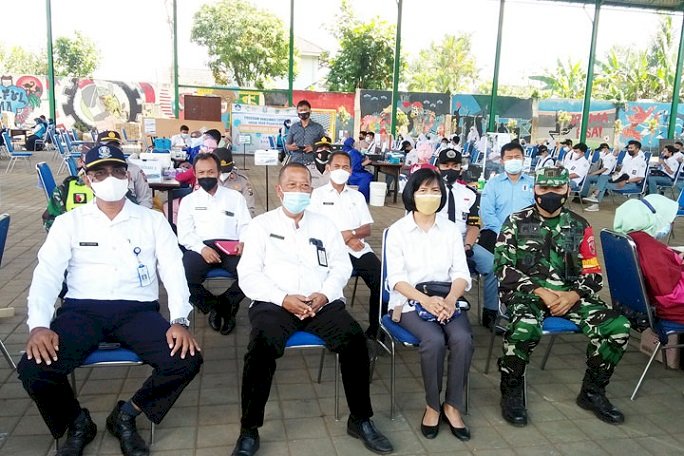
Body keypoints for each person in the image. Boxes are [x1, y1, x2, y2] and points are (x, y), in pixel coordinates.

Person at [17, 144, 202, 456]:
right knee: (33, 368)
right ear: (87, 179)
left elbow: (173, 271)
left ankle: (127, 415)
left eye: (117, 171)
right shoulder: (69, 223)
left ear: (128, 176)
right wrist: (38, 325)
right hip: (82, 311)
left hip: (137, 311)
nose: (110, 178)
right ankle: (77, 422)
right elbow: (47, 275)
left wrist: (179, 319)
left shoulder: (152, 221)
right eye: (99, 172)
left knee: (186, 359)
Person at [232, 163, 393, 456]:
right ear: (279, 190)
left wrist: (325, 294)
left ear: (311, 190)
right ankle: (249, 429)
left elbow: (342, 266)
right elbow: (249, 274)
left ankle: (360, 419)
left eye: (304, 185)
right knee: (260, 347)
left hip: (320, 302)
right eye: (291, 185)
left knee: (355, 340)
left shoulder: (324, 225)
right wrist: (283, 299)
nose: (298, 190)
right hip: (275, 303)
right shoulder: (261, 226)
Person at [495, 167, 630, 428]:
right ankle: (511, 392)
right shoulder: (516, 221)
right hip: (529, 294)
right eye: (544, 188)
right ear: (535, 190)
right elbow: (503, 267)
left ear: (567, 190)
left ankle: (592, 392)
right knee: (524, 328)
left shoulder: (580, 225)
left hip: (570, 296)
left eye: (557, 189)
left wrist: (573, 295)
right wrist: (540, 291)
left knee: (618, 326)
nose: (550, 194)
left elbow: (593, 272)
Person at [385, 167, 473, 441]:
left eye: (435, 190)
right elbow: (396, 279)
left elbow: (461, 273)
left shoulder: (449, 230)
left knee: (463, 338)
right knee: (433, 341)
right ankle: (432, 406)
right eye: (423, 190)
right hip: (410, 301)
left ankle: (452, 405)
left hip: (447, 298)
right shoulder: (397, 231)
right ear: (411, 194)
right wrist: (426, 300)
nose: (429, 195)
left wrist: (448, 300)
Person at [309, 151, 382, 338]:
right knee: (327, 284)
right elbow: (313, 229)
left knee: (381, 281)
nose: (341, 170)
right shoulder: (317, 195)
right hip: (328, 251)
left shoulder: (356, 196)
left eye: (345, 167)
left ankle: (376, 328)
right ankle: (331, 329)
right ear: (328, 168)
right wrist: (346, 237)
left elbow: (367, 228)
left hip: (357, 249)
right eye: (336, 166)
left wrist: (352, 234)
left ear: (351, 170)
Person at [177, 153, 251, 335]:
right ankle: (215, 307)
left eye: (211, 171)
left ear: (219, 172)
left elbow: (246, 225)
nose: (206, 176)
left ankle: (227, 303)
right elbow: (184, 234)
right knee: (181, 277)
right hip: (199, 247)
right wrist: (202, 248)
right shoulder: (188, 201)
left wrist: (243, 241)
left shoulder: (235, 197)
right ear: (194, 173)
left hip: (230, 246)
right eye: (201, 172)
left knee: (252, 272)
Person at [436, 148, 499, 327]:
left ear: (460, 168)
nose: (450, 169)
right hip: (435, 245)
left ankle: (491, 312)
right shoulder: (430, 190)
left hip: (464, 243)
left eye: (454, 165)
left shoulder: (469, 194)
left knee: (493, 265)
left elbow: (473, 225)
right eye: (445, 165)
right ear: (438, 166)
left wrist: (467, 246)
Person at [614, 195, 684, 324]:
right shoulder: (650, 249)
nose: (670, 225)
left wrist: (674, 260)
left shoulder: (629, 240)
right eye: (669, 221)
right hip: (670, 308)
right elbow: (669, 295)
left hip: (642, 303)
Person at [479, 142, 536, 253]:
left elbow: (538, 211)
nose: (513, 160)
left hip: (527, 235)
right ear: (502, 161)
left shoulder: (533, 184)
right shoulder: (492, 184)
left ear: (523, 159)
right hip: (496, 233)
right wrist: (504, 232)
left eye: (517, 157)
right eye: (509, 158)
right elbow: (487, 213)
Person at [584, 140, 647, 212]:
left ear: (637, 149)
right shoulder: (628, 160)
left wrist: (626, 181)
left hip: (630, 183)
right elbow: (621, 172)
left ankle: (595, 201)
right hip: (620, 179)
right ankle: (594, 197)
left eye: (631, 148)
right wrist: (615, 176)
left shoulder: (641, 162)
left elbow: (640, 177)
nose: (629, 150)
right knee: (603, 177)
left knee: (604, 185)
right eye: (628, 148)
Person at [97, 130, 154, 209]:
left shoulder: (134, 170)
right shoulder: (93, 172)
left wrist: (140, 217)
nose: (112, 150)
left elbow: (145, 200)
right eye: (107, 147)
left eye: (115, 146)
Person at [285, 100, 327, 175]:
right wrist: (291, 147)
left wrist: (313, 148)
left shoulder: (318, 127)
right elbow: (287, 145)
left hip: (312, 164)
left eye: (305, 110)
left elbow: (324, 145)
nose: (303, 112)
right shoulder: (293, 127)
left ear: (310, 111)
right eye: (301, 110)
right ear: (297, 112)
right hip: (296, 163)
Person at [214, 147, 257, 217]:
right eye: (219, 171)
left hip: (237, 222)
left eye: (226, 171)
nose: (222, 174)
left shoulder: (242, 181)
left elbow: (250, 209)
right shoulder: (206, 181)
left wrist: (233, 218)